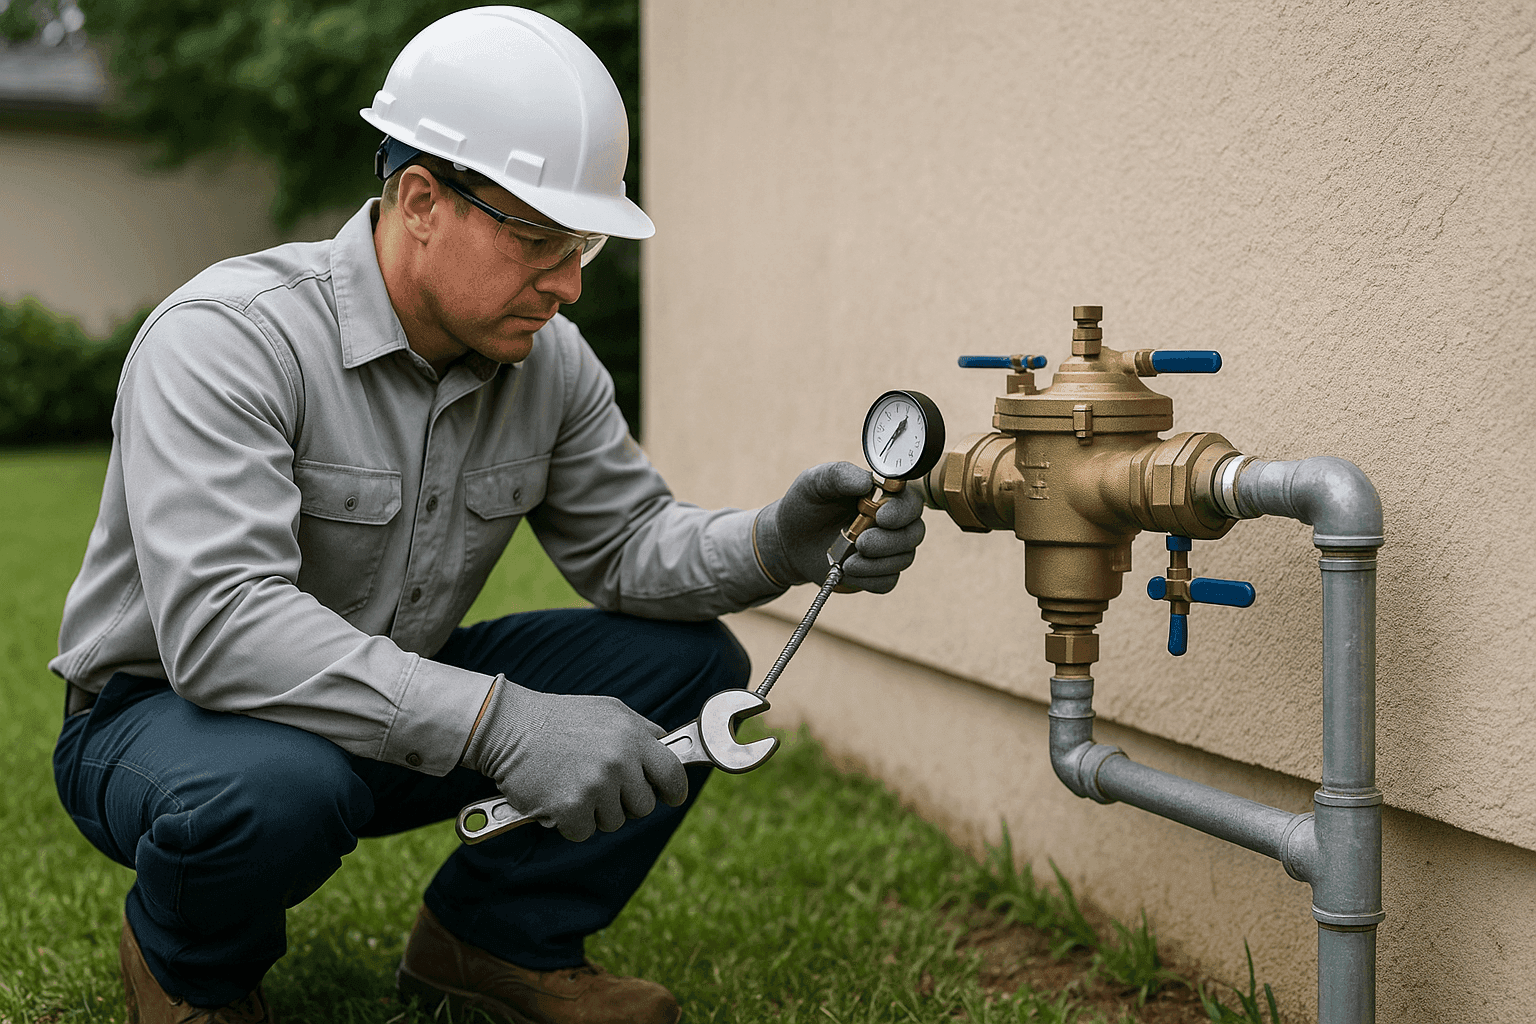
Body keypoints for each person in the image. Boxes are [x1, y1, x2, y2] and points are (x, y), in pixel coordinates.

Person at [47, 8, 926, 1024]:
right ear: (421, 200)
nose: (570, 281)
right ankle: (187, 965)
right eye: (542, 239)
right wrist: (502, 722)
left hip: (384, 708)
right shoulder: (227, 340)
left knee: (689, 669)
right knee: (280, 787)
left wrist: (776, 543)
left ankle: (492, 941)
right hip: (168, 721)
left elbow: (630, 546)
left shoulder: (546, 361)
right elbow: (223, 627)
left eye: (584, 239)